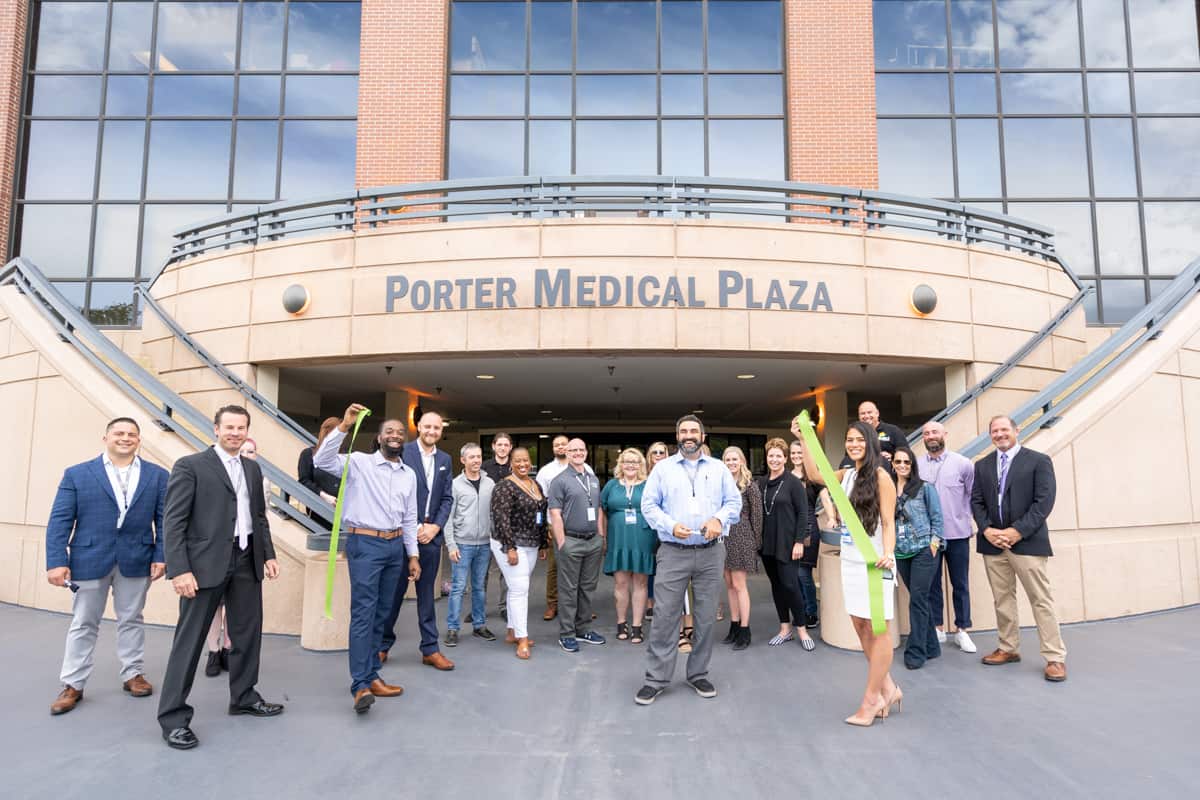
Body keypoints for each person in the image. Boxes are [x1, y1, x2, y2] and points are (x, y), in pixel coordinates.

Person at [157, 405, 283, 750]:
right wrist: (179, 568)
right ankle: (173, 718)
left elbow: (259, 517)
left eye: (241, 428)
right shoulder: (191, 466)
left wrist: (268, 554)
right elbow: (174, 521)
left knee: (247, 635)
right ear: (215, 429)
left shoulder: (253, 469)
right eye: (229, 427)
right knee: (189, 642)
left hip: (246, 561)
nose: (235, 433)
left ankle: (243, 696)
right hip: (203, 567)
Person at [45, 417, 168, 716]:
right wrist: (56, 561)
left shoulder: (158, 475)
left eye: (132, 434)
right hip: (89, 559)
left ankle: (132, 674)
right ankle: (73, 683)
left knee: (132, 619)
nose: (125, 438)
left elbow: (164, 520)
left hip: (137, 559)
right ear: (106, 438)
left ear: (139, 440)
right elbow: (60, 520)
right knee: (84, 622)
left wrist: (161, 555)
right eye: (119, 433)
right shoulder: (77, 474)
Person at [315, 404, 421, 713]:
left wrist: (412, 554)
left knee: (383, 613)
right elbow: (321, 460)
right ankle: (360, 685)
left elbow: (411, 517)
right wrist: (345, 426)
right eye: (389, 431)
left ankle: (373, 675)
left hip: (394, 546)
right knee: (364, 612)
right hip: (365, 543)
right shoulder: (358, 463)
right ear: (378, 437)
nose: (395, 436)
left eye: (400, 433)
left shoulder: (408, 474)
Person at [797, 418, 900, 726]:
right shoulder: (846, 474)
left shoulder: (882, 477)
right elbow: (815, 474)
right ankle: (889, 689)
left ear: (871, 443)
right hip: (851, 560)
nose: (854, 444)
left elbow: (888, 521)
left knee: (878, 630)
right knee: (860, 627)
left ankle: (871, 701)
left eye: (859, 440)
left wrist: (888, 552)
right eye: (849, 440)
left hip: (874, 562)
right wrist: (803, 437)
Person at [635, 415, 741, 705]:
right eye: (684, 431)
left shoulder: (719, 469)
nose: (689, 435)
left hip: (710, 552)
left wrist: (719, 518)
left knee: (706, 618)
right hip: (672, 551)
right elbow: (648, 505)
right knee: (664, 617)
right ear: (677, 436)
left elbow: (734, 503)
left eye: (694, 431)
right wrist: (669, 525)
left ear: (703, 436)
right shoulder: (663, 469)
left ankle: (698, 674)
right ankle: (656, 679)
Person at [971, 415, 1066, 682]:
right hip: (993, 544)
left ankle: (1055, 657)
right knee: (1003, 600)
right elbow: (976, 502)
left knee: (1041, 600)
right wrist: (988, 530)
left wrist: (1016, 532)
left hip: (1027, 542)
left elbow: (1044, 502)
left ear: (1016, 430)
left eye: (1004, 429)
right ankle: (1008, 648)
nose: (1000, 434)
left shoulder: (1038, 461)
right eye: (994, 431)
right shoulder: (983, 465)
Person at [380, 411, 455, 671]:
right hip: (403, 538)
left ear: (441, 431)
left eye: (437, 427)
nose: (432, 431)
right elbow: (391, 492)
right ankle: (381, 645)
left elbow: (447, 499)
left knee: (427, 598)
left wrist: (435, 527)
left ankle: (430, 649)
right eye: (428, 427)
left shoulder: (445, 459)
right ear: (419, 427)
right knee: (393, 594)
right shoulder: (404, 452)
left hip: (431, 539)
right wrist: (414, 527)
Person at [204, 436, 266, 678]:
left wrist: (266, 555)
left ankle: (229, 648)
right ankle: (213, 650)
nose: (248, 454)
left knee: (237, 610)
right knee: (214, 609)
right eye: (245, 450)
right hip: (215, 553)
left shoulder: (257, 477)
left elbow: (260, 517)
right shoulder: (207, 472)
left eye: (252, 451)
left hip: (245, 551)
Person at [919, 421, 977, 653]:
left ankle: (962, 630)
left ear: (944, 434)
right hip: (930, 537)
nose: (931, 436)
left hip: (957, 535)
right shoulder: (917, 465)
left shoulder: (963, 464)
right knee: (932, 584)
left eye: (935, 432)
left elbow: (974, 496)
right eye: (926, 433)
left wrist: (969, 520)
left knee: (960, 583)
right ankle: (937, 628)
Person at [548, 438, 607, 652]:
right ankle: (566, 634)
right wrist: (562, 542)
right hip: (571, 541)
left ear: (586, 453)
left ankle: (583, 629)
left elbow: (598, 508)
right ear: (567, 452)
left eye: (581, 449)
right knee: (568, 590)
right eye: (573, 450)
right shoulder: (560, 480)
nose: (578, 453)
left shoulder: (592, 479)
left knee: (587, 588)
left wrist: (601, 535)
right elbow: (555, 513)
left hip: (592, 541)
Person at [490, 447, 547, 659]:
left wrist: (542, 544)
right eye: (517, 461)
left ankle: (512, 631)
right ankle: (522, 639)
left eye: (525, 460)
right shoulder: (504, 486)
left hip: (532, 543)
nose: (522, 464)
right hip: (510, 544)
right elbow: (500, 519)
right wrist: (510, 548)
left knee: (520, 587)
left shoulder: (535, 484)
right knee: (519, 589)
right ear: (511, 463)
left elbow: (541, 514)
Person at [758, 438, 815, 651]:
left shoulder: (793, 483)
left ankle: (801, 629)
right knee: (777, 586)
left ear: (785, 458)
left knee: (791, 585)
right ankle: (785, 629)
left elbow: (803, 514)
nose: (774, 459)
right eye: (771, 455)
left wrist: (799, 541)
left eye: (778, 456)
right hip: (767, 544)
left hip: (788, 543)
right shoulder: (761, 483)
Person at [892, 446, 944, 670]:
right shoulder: (887, 489)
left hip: (924, 549)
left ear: (912, 465)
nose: (902, 465)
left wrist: (934, 545)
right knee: (919, 598)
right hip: (901, 552)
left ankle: (916, 651)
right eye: (898, 462)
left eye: (907, 462)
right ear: (892, 464)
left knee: (918, 599)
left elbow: (937, 518)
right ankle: (932, 646)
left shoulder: (924, 488)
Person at [536, 435, 595, 621]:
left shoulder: (587, 470)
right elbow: (541, 502)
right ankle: (553, 604)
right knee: (556, 567)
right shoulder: (546, 471)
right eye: (557, 445)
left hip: (583, 527)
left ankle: (581, 607)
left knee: (581, 572)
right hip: (556, 525)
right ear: (554, 449)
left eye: (564, 444)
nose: (560, 447)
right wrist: (546, 527)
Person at [444, 443, 497, 646]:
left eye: (479, 456)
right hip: (462, 545)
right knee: (457, 587)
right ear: (463, 460)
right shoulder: (455, 485)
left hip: (484, 544)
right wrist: (451, 545)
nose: (476, 460)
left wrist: (495, 540)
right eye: (471, 457)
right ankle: (452, 628)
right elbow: (448, 517)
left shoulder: (489, 483)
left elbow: (494, 514)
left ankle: (479, 625)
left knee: (479, 588)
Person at [601, 448, 656, 645]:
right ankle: (621, 623)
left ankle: (637, 626)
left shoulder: (649, 485)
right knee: (621, 583)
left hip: (643, 537)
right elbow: (602, 511)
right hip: (618, 538)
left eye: (635, 461)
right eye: (627, 461)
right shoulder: (611, 485)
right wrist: (603, 536)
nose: (630, 465)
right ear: (620, 464)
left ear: (641, 464)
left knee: (641, 583)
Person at [719, 446, 762, 652]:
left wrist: (756, 543)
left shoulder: (750, 486)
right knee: (728, 584)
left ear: (742, 461)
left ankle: (745, 629)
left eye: (735, 459)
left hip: (743, 536)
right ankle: (734, 625)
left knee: (739, 584)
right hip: (723, 537)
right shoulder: (719, 485)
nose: (731, 463)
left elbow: (757, 516)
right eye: (727, 459)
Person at [790, 440, 822, 629]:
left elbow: (825, 498)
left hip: (809, 528)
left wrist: (834, 517)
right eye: (793, 453)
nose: (796, 456)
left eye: (800, 453)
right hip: (790, 530)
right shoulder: (786, 476)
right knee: (793, 575)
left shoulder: (813, 477)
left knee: (804, 574)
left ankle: (811, 613)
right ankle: (800, 610)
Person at [298, 417, 343, 529]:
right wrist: (324, 496)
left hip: (342, 513)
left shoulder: (344, 456)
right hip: (318, 511)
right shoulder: (308, 454)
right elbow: (304, 481)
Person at [643, 441, 671, 620]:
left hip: (668, 527)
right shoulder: (643, 476)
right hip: (647, 528)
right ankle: (649, 603)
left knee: (667, 567)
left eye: (662, 452)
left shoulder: (673, 474)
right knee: (649, 567)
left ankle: (666, 604)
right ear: (650, 456)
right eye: (655, 452)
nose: (659, 455)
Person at [838, 401, 905, 468]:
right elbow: (849, 455)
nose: (866, 416)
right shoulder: (856, 432)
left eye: (869, 412)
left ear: (877, 413)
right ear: (859, 416)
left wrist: (892, 456)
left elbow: (905, 453)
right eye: (862, 413)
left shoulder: (893, 430)